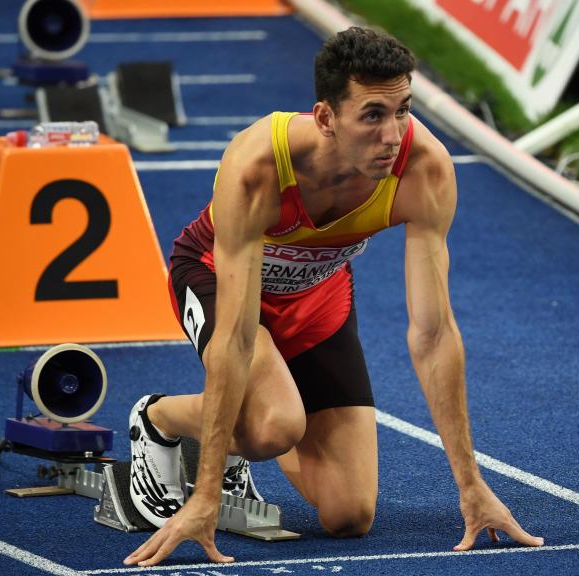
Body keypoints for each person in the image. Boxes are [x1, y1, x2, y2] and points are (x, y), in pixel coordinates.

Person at [123, 26, 543, 567]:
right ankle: (159, 419)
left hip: (318, 296)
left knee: (349, 515)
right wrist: (204, 498)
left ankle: (241, 436)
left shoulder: (424, 168)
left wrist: (472, 487)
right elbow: (234, 335)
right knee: (274, 426)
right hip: (216, 278)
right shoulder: (258, 166)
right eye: (372, 115)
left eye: (403, 111)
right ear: (325, 118)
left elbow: (433, 335)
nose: (392, 135)